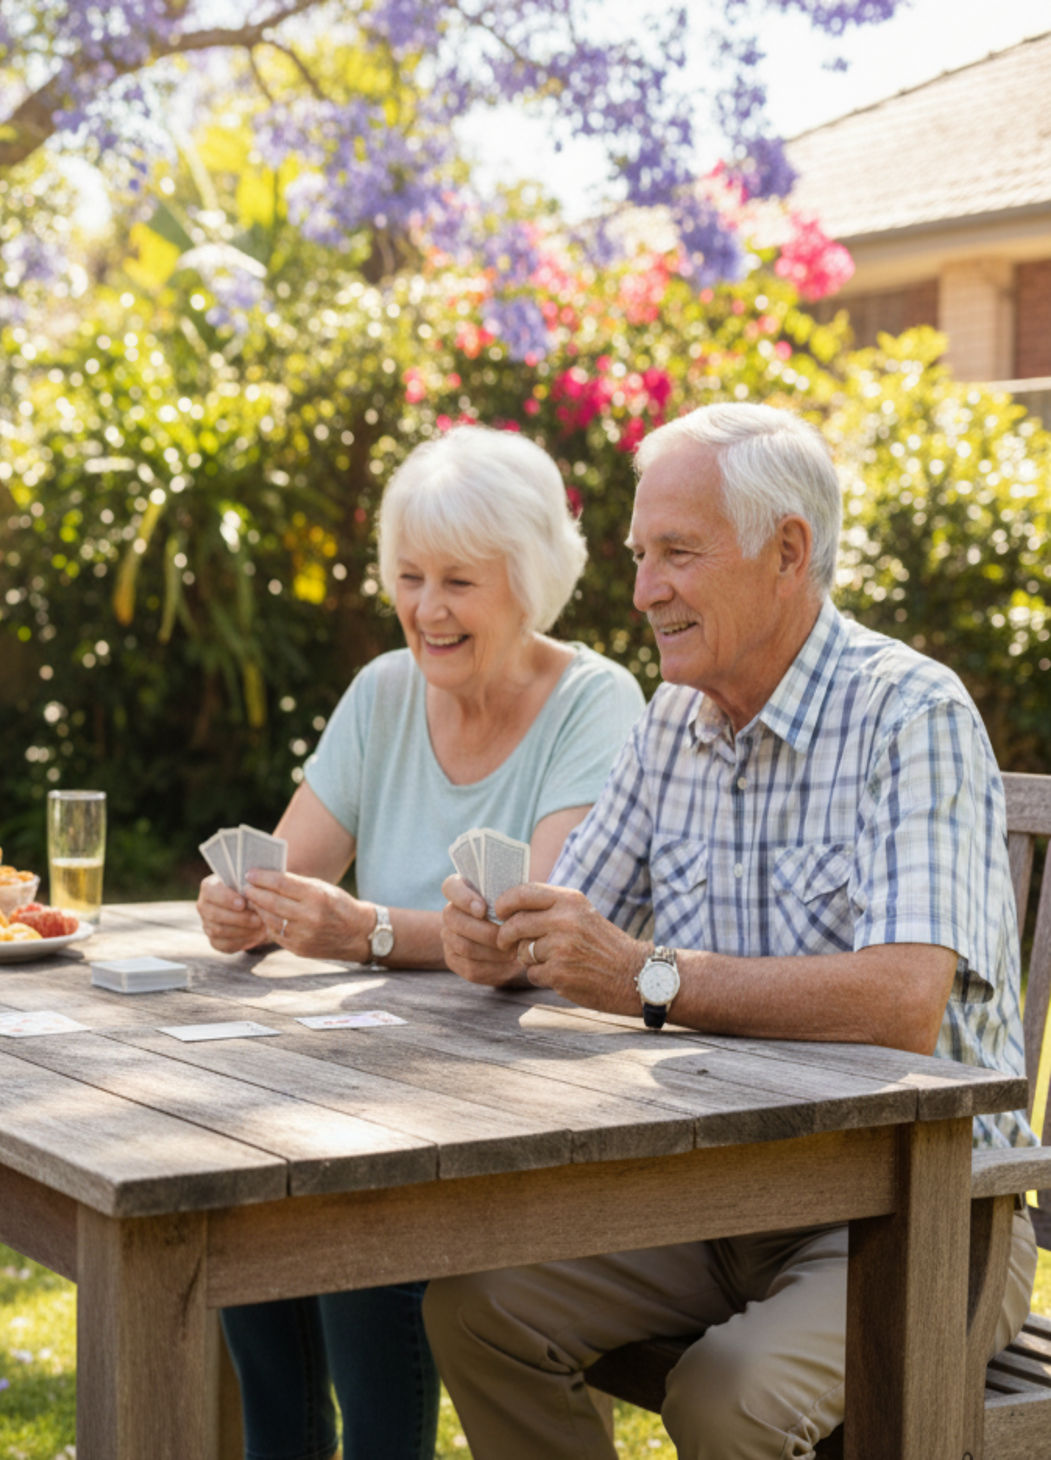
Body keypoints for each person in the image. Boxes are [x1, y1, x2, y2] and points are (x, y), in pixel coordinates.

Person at [426, 402, 1039, 1459]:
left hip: (918, 1220)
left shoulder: (909, 714)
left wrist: (650, 976)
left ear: (786, 551)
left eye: (675, 552)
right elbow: (579, 922)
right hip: (715, 1193)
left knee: (721, 1394)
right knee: (479, 1308)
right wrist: (506, 939)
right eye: (636, 555)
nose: (641, 588)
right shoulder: (673, 721)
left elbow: (899, 1002)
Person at [196, 427, 647, 1460]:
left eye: (457, 581)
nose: (426, 610)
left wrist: (361, 930)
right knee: (241, 1207)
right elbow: (284, 864)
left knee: (355, 1230)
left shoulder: (595, 702)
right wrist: (239, 905)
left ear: (527, 583)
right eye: (407, 577)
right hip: (381, 1075)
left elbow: (537, 933)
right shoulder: (384, 691)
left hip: (523, 1100)